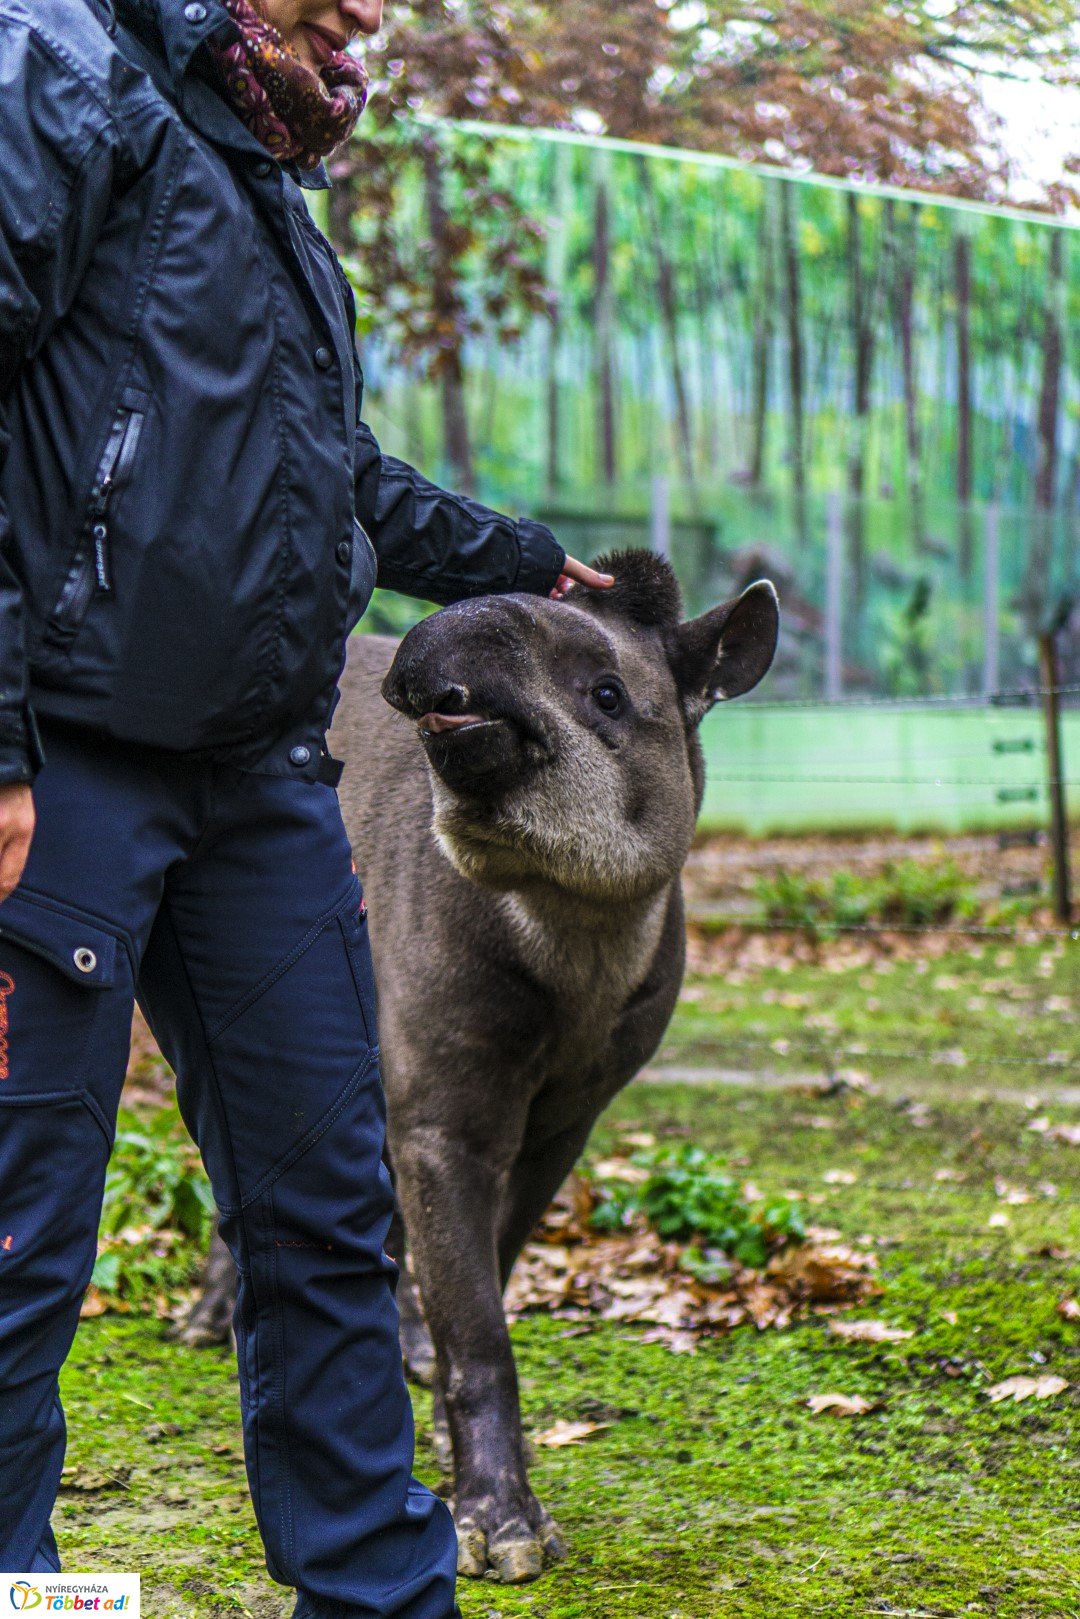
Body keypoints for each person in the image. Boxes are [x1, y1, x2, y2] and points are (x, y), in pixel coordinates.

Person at [0, 0, 612, 1610]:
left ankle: (375, 1594)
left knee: (329, 1219)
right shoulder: (57, 69)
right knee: (16, 1240)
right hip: (56, 764)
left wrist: (515, 561)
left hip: (261, 780)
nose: (367, 15)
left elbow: (315, 468)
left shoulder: (259, 159)